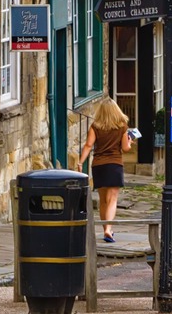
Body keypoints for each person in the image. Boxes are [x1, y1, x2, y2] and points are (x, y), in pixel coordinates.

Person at [77, 99, 133, 243]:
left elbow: (88, 145)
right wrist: (130, 142)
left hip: (99, 165)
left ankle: (105, 230)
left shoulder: (95, 127)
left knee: (103, 200)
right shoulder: (122, 127)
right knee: (112, 199)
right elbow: (125, 148)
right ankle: (108, 229)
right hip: (114, 164)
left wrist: (80, 161)